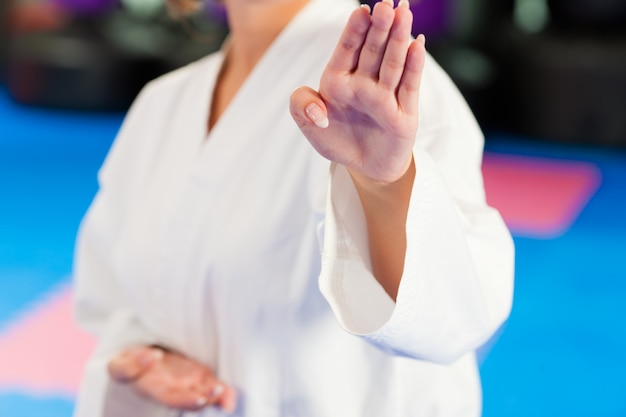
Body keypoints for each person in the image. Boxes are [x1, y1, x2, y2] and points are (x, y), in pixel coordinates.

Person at [72, 0, 515, 415]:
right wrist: (145, 358)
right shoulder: (164, 103)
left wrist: (385, 183)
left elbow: (455, 316)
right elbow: (111, 300)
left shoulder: (386, 90)